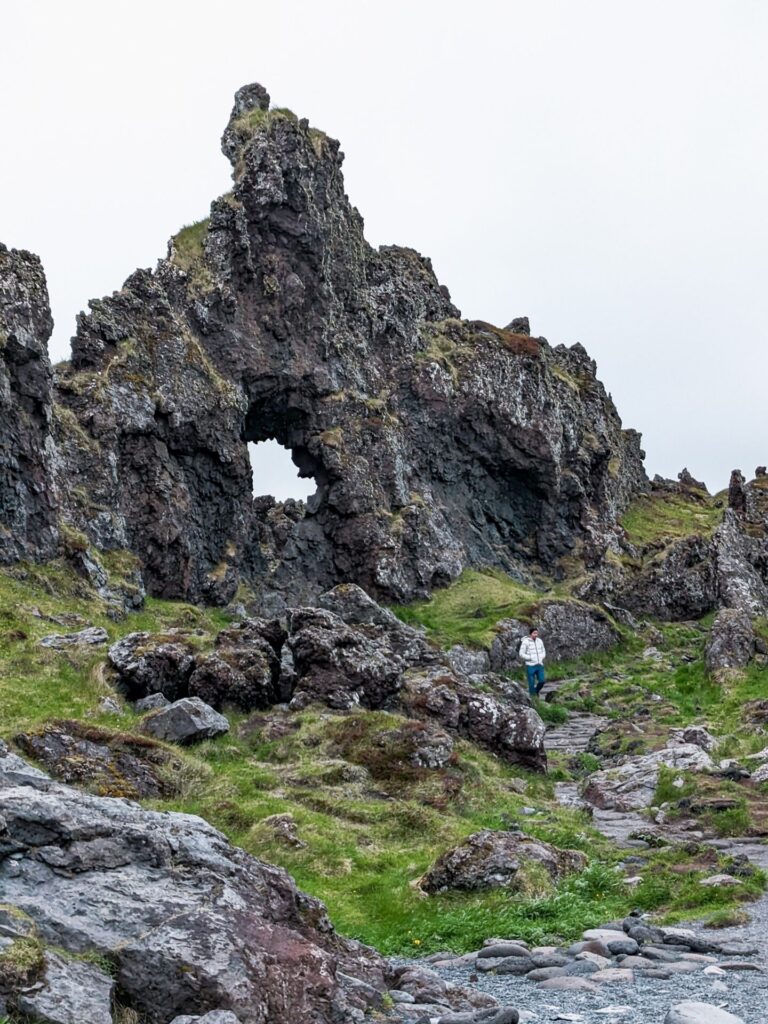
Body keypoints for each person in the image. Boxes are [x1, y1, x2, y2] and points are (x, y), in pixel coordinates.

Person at [519, 626, 546, 697]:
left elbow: (543, 651)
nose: (536, 635)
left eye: (537, 633)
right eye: (534, 633)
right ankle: (533, 698)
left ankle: (536, 691)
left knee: (542, 681)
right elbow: (521, 654)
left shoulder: (539, 641)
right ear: (531, 634)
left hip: (539, 664)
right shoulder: (525, 642)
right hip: (530, 665)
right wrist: (530, 658)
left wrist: (541, 657)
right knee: (531, 683)